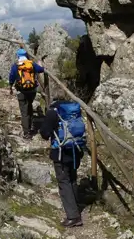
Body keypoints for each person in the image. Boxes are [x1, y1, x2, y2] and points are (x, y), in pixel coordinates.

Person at [39, 96, 86, 228]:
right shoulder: (74, 110)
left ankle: (73, 216)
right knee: (72, 179)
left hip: (61, 152)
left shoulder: (53, 112)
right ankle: (75, 206)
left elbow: (44, 133)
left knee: (64, 182)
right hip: (75, 150)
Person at [8, 48, 45, 139]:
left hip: (21, 91)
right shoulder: (31, 64)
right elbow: (41, 70)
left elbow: (11, 77)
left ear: (18, 56)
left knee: (24, 111)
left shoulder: (16, 66)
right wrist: (41, 64)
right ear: (26, 55)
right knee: (29, 106)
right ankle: (31, 126)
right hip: (32, 90)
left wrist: (10, 86)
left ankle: (26, 132)